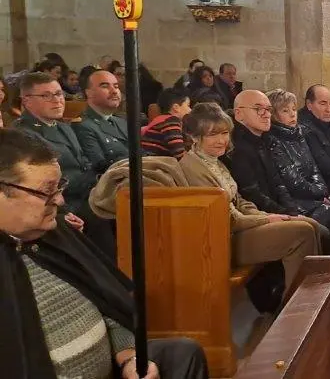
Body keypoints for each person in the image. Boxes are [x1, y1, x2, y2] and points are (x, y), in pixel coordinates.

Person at [0, 128, 210, 379]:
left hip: (113, 370)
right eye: (47, 191)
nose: (60, 201)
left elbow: (108, 306)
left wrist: (130, 358)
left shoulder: (57, 235)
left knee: (182, 354)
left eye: (59, 187)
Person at [179, 103, 321, 311]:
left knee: (311, 224)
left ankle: (312, 301)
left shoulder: (214, 161)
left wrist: (265, 214)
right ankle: (296, 311)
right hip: (223, 240)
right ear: (194, 137)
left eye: (225, 133)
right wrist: (267, 219)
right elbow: (227, 218)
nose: (221, 141)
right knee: (302, 232)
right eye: (212, 135)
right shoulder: (193, 167)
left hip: (240, 226)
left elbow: (240, 201)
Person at [230, 89, 330, 253]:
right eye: (258, 109)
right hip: (261, 217)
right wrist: (289, 214)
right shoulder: (240, 150)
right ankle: (317, 275)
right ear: (239, 114)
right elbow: (254, 194)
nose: (266, 114)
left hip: (282, 208)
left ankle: (327, 273)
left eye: (268, 110)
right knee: (320, 229)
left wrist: (292, 211)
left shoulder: (264, 141)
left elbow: (280, 184)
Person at [15, 72, 114, 258]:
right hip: (63, 203)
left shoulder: (63, 127)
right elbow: (42, 183)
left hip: (88, 194)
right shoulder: (24, 134)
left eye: (59, 94)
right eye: (46, 95)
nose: (57, 100)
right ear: (27, 101)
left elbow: (85, 163)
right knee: (107, 215)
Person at [73, 70, 130, 172]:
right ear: (88, 92)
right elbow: (99, 166)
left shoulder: (121, 122)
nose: (114, 91)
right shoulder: (83, 126)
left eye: (116, 86)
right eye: (105, 86)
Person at [141, 89, 191, 159]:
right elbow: (179, 154)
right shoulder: (171, 121)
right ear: (176, 107)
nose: (190, 110)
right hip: (157, 165)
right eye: (188, 105)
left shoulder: (160, 119)